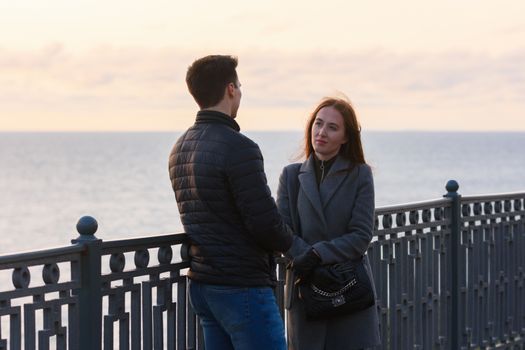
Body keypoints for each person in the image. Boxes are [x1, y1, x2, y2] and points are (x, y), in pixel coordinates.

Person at [168, 55, 293, 350]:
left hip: (204, 284)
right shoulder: (240, 148)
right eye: (239, 85)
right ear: (230, 89)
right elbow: (265, 223)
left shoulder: (179, 148)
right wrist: (296, 246)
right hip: (242, 286)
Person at [277, 97, 381, 350]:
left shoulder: (360, 174)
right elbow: (283, 232)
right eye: (318, 124)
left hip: (348, 287)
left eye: (332, 127)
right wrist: (305, 257)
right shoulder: (291, 175)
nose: (321, 132)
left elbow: (361, 236)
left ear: (346, 137)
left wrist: (316, 254)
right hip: (306, 289)